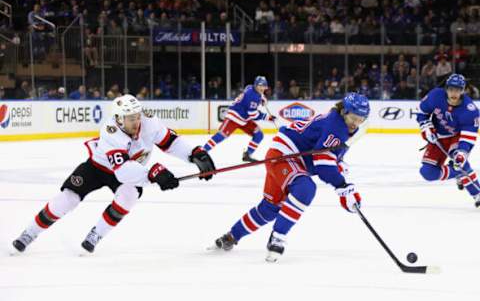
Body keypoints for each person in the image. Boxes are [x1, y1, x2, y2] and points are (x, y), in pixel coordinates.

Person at [12, 95, 216, 253]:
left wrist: (194, 155)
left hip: (130, 169)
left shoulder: (148, 122)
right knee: (67, 199)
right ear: (118, 119)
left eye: (137, 116)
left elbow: (170, 142)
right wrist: (153, 173)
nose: (136, 122)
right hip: (98, 167)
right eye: (130, 119)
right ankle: (29, 233)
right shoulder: (110, 132)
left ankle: (95, 235)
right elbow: (123, 171)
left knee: (128, 197)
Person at [212, 93, 370, 262]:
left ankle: (231, 236)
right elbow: (322, 164)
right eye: (353, 117)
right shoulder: (336, 126)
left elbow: (330, 157)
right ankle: (278, 237)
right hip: (284, 155)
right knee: (305, 188)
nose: (356, 123)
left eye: (361, 119)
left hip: (285, 156)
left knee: (269, 208)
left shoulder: (341, 124)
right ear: (344, 112)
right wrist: (342, 185)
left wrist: (345, 188)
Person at [417, 73, 480, 207]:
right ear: (446, 88)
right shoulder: (435, 95)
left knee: (460, 161)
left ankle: (477, 193)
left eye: (458, 90)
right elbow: (422, 112)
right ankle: (457, 172)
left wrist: (461, 154)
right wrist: (426, 128)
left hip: (456, 137)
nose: (454, 93)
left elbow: (468, 137)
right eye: (451, 89)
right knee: (427, 173)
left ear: (463, 90)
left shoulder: (470, 110)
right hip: (438, 138)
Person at [203, 76, 277, 162]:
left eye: (263, 86)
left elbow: (253, 91)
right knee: (221, 135)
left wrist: (262, 99)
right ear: (256, 85)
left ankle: (247, 154)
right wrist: (267, 117)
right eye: (259, 86)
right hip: (234, 117)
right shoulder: (253, 97)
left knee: (259, 134)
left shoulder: (251, 88)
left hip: (244, 119)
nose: (261, 88)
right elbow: (253, 115)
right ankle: (203, 151)